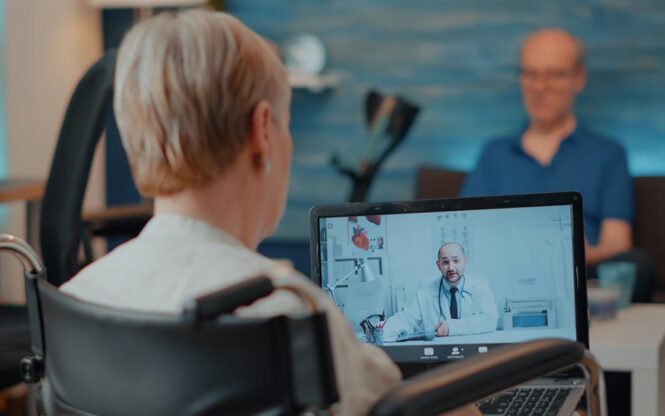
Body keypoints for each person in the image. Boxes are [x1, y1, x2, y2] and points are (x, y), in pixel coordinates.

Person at [461, 29, 655, 301]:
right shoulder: (493, 153)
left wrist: (572, 255)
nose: (541, 87)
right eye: (531, 74)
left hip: (582, 274)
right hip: (508, 273)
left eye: (555, 74)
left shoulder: (609, 153)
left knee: (638, 263)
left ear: (579, 78)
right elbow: (468, 233)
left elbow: (617, 243)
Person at [382, 242, 497, 342]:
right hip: (438, 356)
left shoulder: (480, 286)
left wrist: (451, 328)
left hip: (472, 355)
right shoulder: (424, 294)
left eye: (456, 261)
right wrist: (379, 331)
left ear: (465, 261)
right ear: (438, 265)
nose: (451, 267)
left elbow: (490, 321)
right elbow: (405, 319)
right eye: (445, 262)